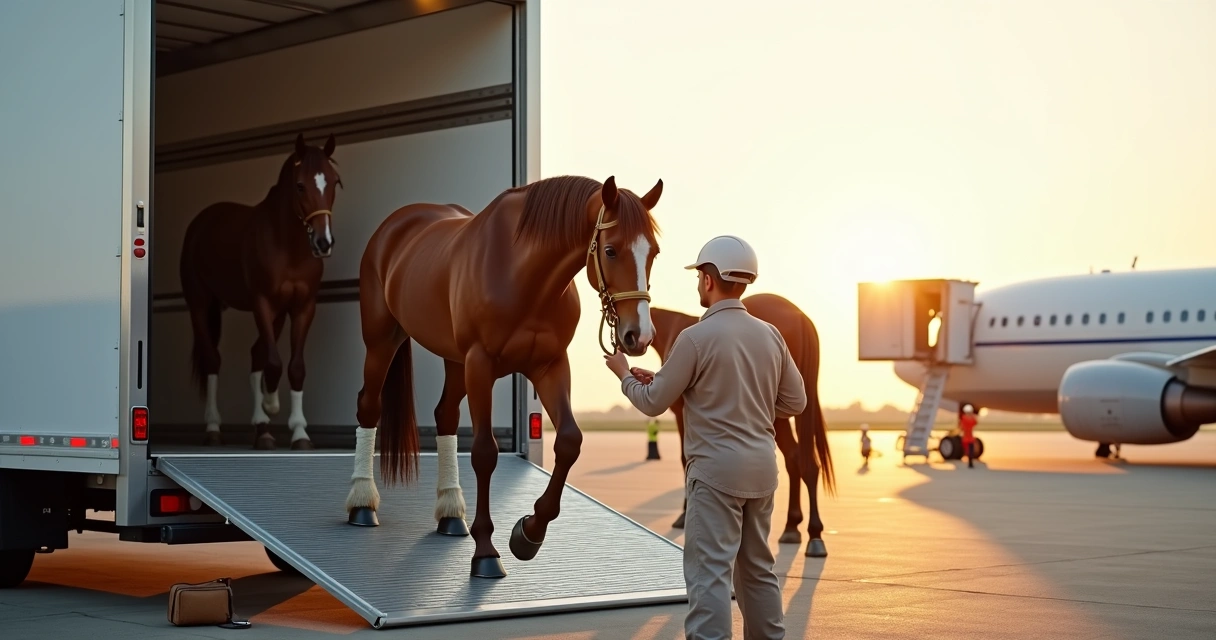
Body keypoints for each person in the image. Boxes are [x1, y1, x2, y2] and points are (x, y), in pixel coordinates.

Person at [604, 235, 806, 640]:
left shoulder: (694, 337)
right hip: (762, 472)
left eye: (699, 275)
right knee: (758, 570)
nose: (698, 283)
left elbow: (652, 403)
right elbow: (795, 402)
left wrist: (625, 374)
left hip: (715, 475)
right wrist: (748, 405)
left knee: (709, 574)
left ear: (710, 279)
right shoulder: (770, 335)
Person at [960, 404, 977, 468]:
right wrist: (972, 416)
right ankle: (970, 463)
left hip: (966, 438)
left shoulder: (963, 418)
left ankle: (970, 463)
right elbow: (975, 422)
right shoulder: (968, 419)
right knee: (970, 452)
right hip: (969, 438)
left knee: (969, 451)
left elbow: (962, 427)